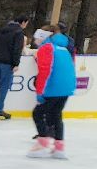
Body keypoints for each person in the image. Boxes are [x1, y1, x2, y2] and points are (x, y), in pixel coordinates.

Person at [28, 25, 75, 160]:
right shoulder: (63, 48)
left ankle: (42, 144)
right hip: (66, 88)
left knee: (37, 113)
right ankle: (59, 148)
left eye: (37, 37)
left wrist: (40, 92)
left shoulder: (46, 48)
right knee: (56, 115)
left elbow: (45, 71)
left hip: (54, 87)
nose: (35, 40)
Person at [0, 15, 29, 120]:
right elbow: (17, 49)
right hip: (7, 63)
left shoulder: (1, 31)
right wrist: (16, 63)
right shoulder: (18, 33)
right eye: (26, 24)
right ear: (23, 22)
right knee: (3, 87)